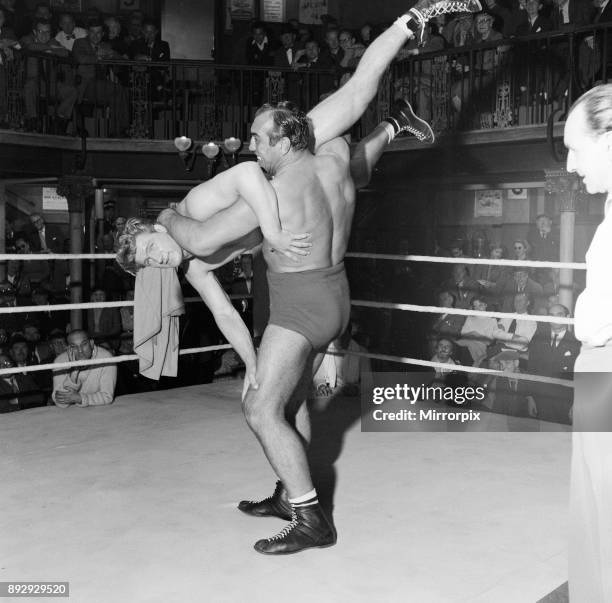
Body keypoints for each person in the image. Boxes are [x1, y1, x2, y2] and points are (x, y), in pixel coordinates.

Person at [120, 0, 469, 555]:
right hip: (328, 289)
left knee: (261, 410)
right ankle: (290, 491)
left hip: (303, 301)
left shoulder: (264, 194)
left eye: (259, 139)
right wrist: (407, 25)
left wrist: (167, 218)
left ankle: (310, 519)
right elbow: (360, 86)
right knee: (288, 401)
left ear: (282, 141)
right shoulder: (323, 152)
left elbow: (203, 240)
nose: (251, 146)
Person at [563, 83, 612, 602]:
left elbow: (595, 322)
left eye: (577, 148)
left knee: (602, 511)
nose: (572, 165)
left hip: (605, 368)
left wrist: (580, 315)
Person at [52, 328, 116, 407]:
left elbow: (107, 396)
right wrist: (73, 374)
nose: (80, 350)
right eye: (74, 346)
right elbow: (61, 404)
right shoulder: (60, 361)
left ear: (91, 343)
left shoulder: (106, 358)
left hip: (99, 411)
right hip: (71, 414)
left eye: (84, 344)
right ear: (68, 348)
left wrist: (80, 398)